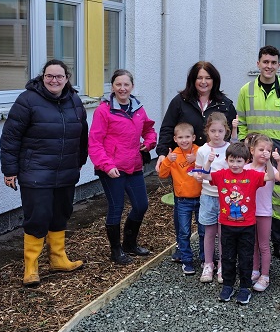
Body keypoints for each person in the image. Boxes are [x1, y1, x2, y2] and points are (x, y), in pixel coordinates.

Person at [0, 59, 88, 287]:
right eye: (50, 76)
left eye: (59, 76)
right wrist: (10, 170)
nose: (54, 80)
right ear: (42, 77)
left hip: (66, 171)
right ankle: (31, 267)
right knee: (37, 217)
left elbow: (81, 136)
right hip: (35, 171)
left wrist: (79, 161)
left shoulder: (74, 101)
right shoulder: (27, 100)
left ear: (67, 79)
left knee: (61, 214)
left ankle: (58, 259)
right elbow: (10, 137)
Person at [156, 62, 237, 263]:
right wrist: (161, 154)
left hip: (213, 164)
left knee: (207, 209)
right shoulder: (180, 101)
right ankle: (182, 248)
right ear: (193, 80)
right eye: (199, 77)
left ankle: (207, 252)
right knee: (182, 207)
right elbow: (167, 127)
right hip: (184, 164)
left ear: (214, 80)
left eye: (207, 78)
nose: (203, 82)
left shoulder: (224, 104)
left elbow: (234, 135)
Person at [236, 45, 280, 262]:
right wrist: (246, 145)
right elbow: (242, 120)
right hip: (253, 150)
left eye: (273, 63)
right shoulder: (246, 90)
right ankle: (251, 238)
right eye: (265, 62)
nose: (269, 66)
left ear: (278, 65)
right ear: (258, 64)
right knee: (253, 192)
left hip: (278, 149)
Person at [89, 69, 157, 265]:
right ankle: (116, 251)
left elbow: (149, 129)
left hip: (133, 165)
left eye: (126, 84)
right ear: (112, 87)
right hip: (112, 169)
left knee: (141, 205)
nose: (122, 88)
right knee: (116, 208)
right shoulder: (104, 110)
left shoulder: (137, 108)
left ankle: (129, 243)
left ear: (132, 86)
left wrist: (149, 142)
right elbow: (95, 142)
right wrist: (106, 165)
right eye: (118, 84)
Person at [203, 141, 274, 305]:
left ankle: (244, 288)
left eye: (239, 161)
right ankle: (227, 286)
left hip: (247, 226)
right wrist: (209, 161)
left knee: (245, 257)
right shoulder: (221, 175)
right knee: (227, 257)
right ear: (227, 160)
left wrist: (269, 161)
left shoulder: (252, 175)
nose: (235, 164)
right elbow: (205, 175)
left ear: (246, 161)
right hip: (226, 225)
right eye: (232, 160)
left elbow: (269, 176)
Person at [244, 133, 280, 292]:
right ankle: (255, 270)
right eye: (261, 149)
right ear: (251, 150)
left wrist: (278, 161)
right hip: (248, 213)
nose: (264, 152)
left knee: (263, 245)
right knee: (252, 243)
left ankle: (265, 275)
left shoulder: (269, 169)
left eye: (268, 150)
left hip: (264, 213)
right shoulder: (245, 168)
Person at [157, 123, 202, 276]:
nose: (184, 140)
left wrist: (196, 160)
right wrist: (168, 160)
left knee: (203, 231)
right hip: (183, 200)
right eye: (181, 137)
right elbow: (162, 175)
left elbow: (209, 169)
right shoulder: (174, 155)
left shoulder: (199, 151)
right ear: (175, 139)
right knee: (184, 232)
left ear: (193, 137)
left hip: (201, 198)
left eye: (187, 137)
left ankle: (205, 259)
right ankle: (187, 260)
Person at [193, 112, 233, 283]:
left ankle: (222, 264)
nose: (217, 135)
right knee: (209, 232)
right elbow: (197, 172)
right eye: (213, 131)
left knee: (223, 233)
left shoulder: (230, 148)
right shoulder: (202, 150)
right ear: (207, 131)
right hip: (208, 196)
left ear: (226, 131)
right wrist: (198, 175)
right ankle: (208, 264)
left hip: (226, 197)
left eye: (220, 131)